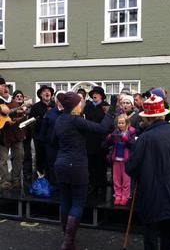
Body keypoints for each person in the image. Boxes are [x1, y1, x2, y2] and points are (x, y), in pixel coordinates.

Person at [53, 91, 116, 250]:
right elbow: (102, 128)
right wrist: (113, 107)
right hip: (77, 165)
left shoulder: (59, 120)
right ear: (75, 106)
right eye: (80, 102)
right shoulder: (76, 121)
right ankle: (68, 242)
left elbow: (54, 141)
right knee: (78, 202)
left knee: (66, 200)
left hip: (60, 164)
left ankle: (66, 238)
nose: (82, 104)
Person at [126, 94, 170, 250]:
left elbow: (131, 167)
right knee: (169, 236)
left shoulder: (145, 138)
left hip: (152, 194)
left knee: (151, 236)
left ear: (148, 118)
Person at [0, 78, 28, 190]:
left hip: (16, 134)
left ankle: (15, 180)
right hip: (2, 135)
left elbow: (18, 116)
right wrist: (14, 112)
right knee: (3, 160)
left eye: (6, 86)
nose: (5, 88)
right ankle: (5, 181)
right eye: (2, 86)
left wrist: (21, 114)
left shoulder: (14, 101)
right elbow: (4, 111)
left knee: (19, 156)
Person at [83, 86, 110, 199]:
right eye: (93, 93)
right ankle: (92, 186)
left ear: (101, 96)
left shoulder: (105, 107)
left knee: (101, 166)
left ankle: (101, 187)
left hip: (101, 141)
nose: (95, 95)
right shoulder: (87, 106)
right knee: (91, 166)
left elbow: (107, 123)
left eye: (97, 93)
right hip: (89, 140)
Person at [105, 114, 135, 205]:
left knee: (126, 180)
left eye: (122, 123)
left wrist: (127, 139)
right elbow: (108, 143)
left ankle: (125, 196)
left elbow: (133, 144)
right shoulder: (115, 132)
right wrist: (109, 138)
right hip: (116, 159)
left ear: (126, 123)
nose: (120, 125)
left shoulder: (131, 132)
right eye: (119, 123)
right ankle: (117, 195)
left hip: (126, 160)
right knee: (116, 179)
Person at [39, 90, 65, 186]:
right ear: (56, 100)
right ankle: (54, 184)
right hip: (51, 145)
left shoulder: (69, 112)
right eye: (59, 98)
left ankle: (63, 185)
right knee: (52, 165)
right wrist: (44, 142)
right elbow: (44, 128)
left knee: (63, 165)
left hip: (64, 145)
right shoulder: (50, 113)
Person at [29, 85, 55, 176]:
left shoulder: (55, 105)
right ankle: (40, 179)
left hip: (53, 137)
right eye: (44, 91)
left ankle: (51, 179)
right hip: (39, 138)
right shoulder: (35, 107)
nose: (47, 93)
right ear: (40, 95)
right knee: (40, 159)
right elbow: (31, 122)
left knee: (51, 159)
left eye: (48, 91)